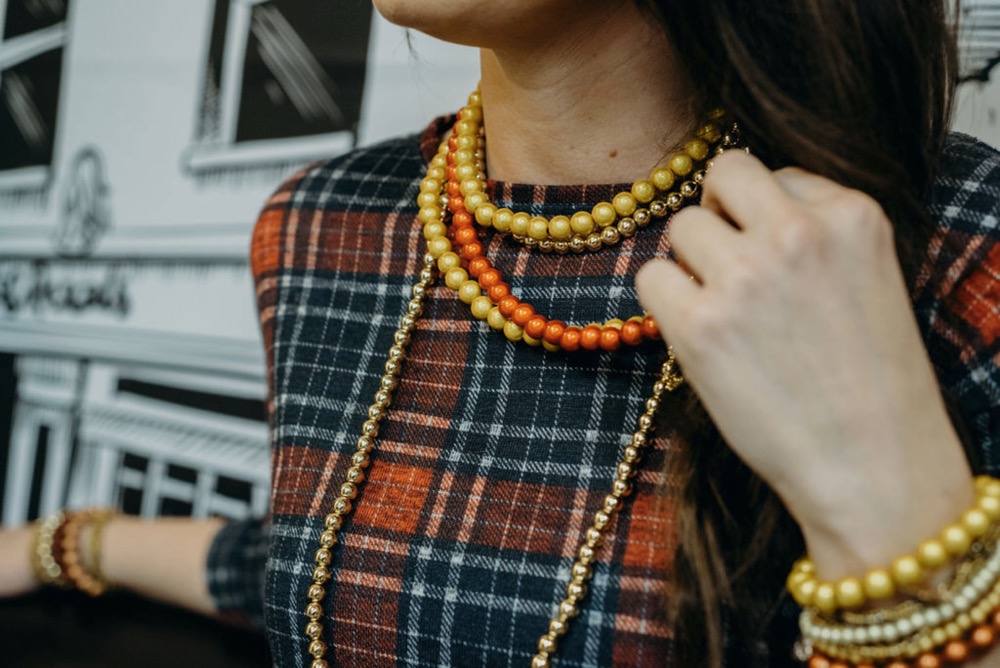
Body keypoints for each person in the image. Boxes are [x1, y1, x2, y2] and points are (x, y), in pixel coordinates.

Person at [3, 1, 1000, 666]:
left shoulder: (945, 241)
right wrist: (65, 543)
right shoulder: (322, 226)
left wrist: (889, 506)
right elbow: (341, 569)